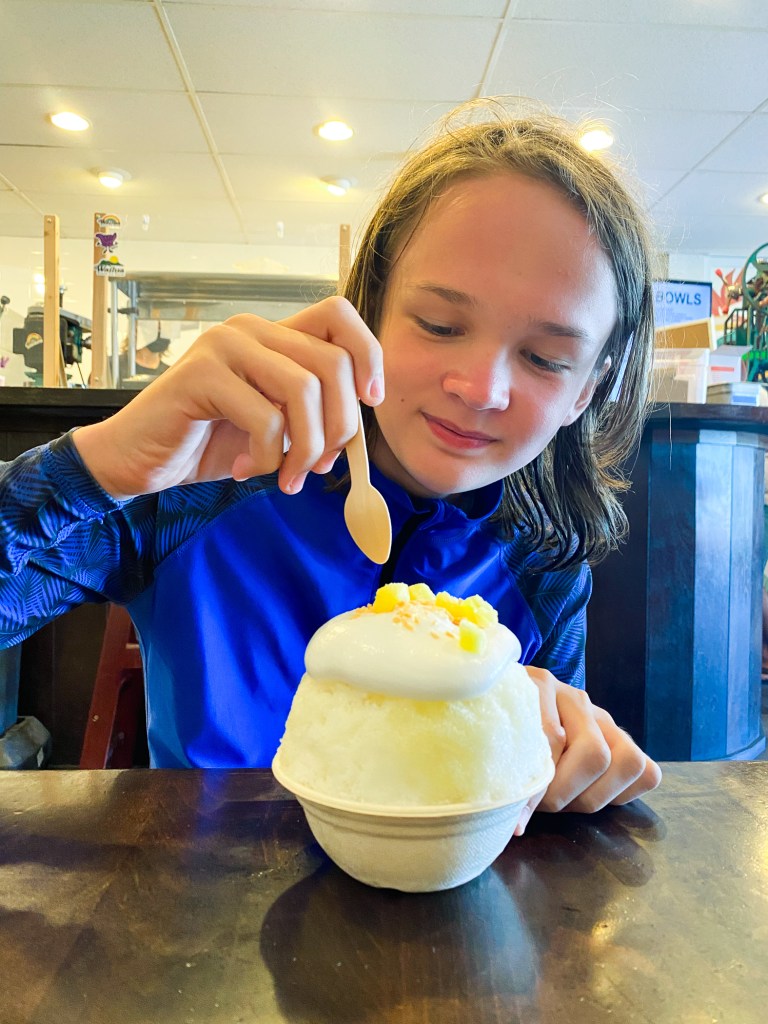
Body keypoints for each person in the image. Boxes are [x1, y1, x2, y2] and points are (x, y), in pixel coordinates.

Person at [0, 102, 661, 832]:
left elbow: (539, 796)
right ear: (370, 308)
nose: (481, 389)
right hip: (206, 886)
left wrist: (569, 751)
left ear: (585, 391)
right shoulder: (212, 484)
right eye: (439, 324)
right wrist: (100, 465)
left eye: (545, 358)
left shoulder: (545, 558)